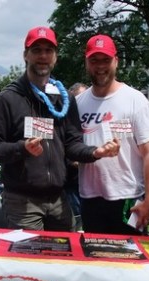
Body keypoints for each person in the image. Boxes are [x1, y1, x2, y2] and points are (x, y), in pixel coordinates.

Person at [0, 26, 120, 231]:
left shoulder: (64, 98)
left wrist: (95, 152)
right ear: (26, 55)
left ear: (55, 57)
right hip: (22, 201)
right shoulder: (8, 99)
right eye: (37, 50)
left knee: (66, 249)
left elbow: (72, 145)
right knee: (31, 251)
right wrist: (22, 148)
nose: (43, 56)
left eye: (48, 50)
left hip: (58, 199)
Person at [76, 34, 149, 235]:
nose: (100, 66)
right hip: (90, 198)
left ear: (116, 61)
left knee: (131, 254)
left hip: (128, 197)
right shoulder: (79, 103)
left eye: (106, 60)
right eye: (94, 60)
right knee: (94, 253)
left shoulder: (135, 100)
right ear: (86, 63)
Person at [65, 82, 88, 231]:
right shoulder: (65, 119)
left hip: (90, 185)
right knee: (76, 226)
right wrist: (73, 162)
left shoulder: (90, 119)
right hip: (71, 185)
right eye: (78, 98)